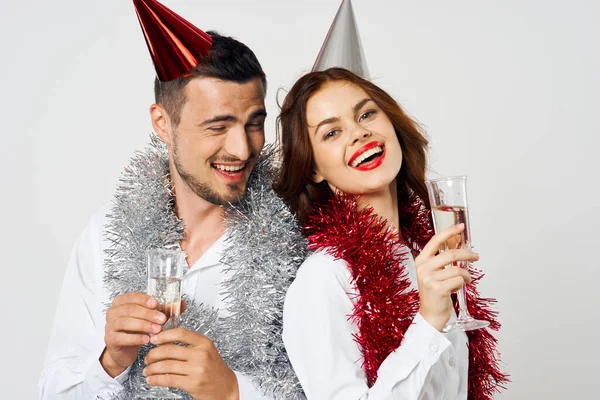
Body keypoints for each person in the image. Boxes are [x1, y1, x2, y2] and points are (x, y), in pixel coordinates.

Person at [39, 1, 304, 399]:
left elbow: (341, 389)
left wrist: (234, 391)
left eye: (254, 124)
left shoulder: (298, 237)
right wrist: (110, 361)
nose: (243, 148)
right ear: (163, 123)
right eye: (218, 126)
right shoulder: (107, 235)